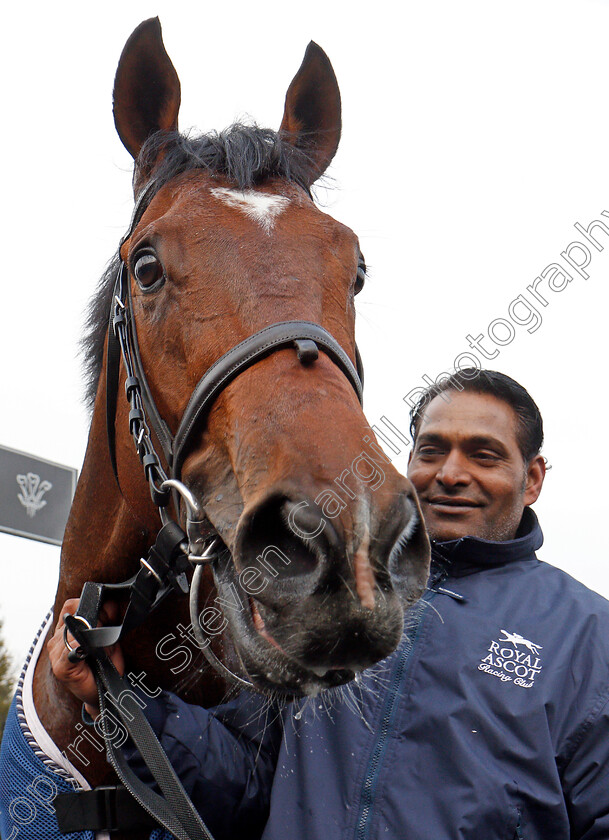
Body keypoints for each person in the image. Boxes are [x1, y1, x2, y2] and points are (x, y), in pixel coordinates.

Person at [50, 369, 609, 839]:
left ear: (532, 478)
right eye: (432, 450)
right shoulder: (327, 593)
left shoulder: (588, 634)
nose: (451, 475)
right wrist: (114, 698)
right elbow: (248, 781)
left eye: (484, 455)